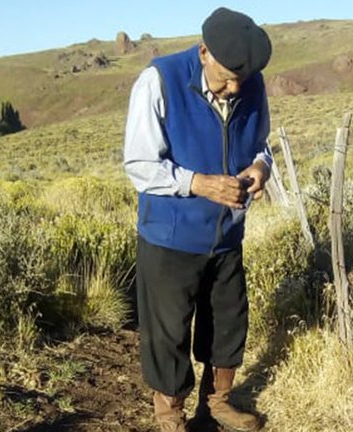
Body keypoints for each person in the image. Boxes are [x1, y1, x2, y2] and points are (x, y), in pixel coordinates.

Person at [123, 7, 272, 432]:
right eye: (226, 78)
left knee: (227, 323)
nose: (233, 88)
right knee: (168, 332)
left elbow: (261, 145)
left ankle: (219, 402)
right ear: (204, 51)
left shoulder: (250, 84)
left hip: (226, 236)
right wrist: (198, 184)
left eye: (241, 80)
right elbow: (139, 164)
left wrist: (262, 169)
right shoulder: (160, 81)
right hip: (169, 236)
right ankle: (170, 413)